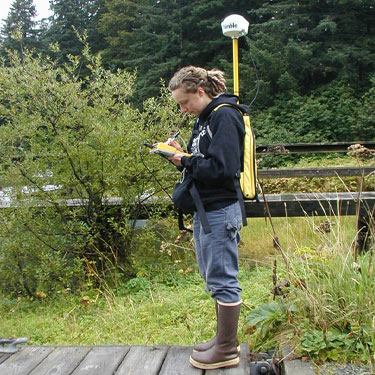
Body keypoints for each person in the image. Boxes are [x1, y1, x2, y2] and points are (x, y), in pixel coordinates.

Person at [167, 66, 248, 370]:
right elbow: (202, 162)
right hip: (204, 210)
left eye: (184, 102)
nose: (182, 109)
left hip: (220, 209)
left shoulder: (224, 115)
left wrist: (186, 160)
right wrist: (180, 155)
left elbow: (222, 169)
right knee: (212, 276)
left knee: (224, 278)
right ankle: (222, 340)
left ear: (200, 91)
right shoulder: (204, 119)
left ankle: (227, 349)